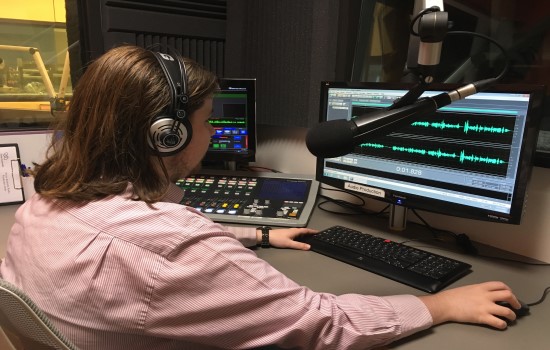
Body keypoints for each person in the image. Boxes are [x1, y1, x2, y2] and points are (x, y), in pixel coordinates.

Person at [0, 45, 522, 350]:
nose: (209, 137)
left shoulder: (42, 203)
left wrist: (259, 233)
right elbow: (324, 324)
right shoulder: (179, 244)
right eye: (207, 123)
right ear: (166, 136)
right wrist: (438, 305)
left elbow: (142, 249)